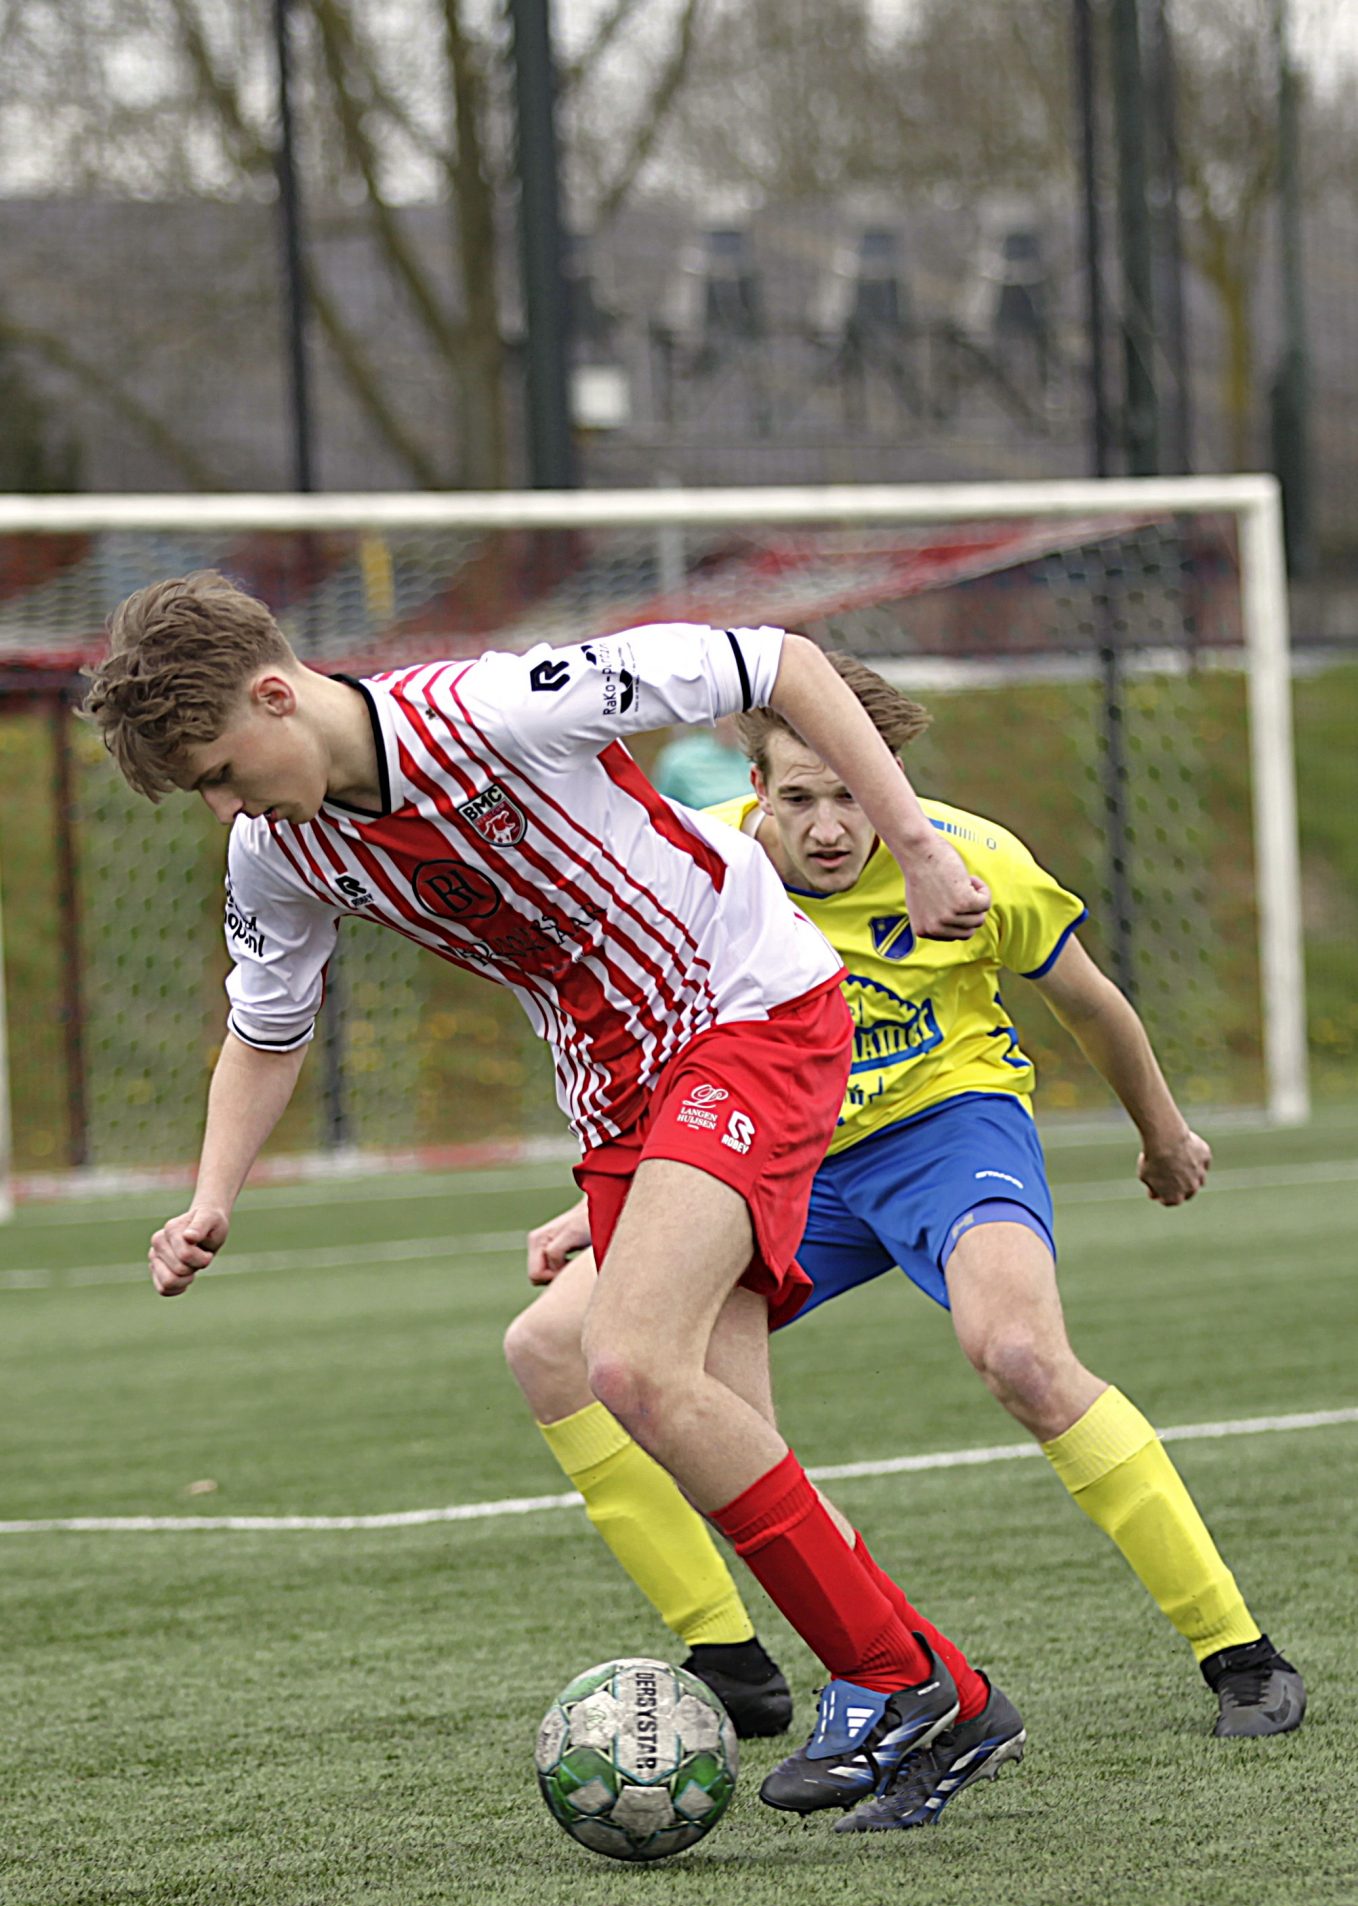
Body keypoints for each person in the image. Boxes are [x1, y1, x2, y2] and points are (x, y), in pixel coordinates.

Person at [80, 573, 1024, 1837]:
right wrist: (212, 1196)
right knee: (720, 1428)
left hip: (748, 1011)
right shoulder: (278, 849)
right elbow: (266, 1028)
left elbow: (780, 661)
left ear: (273, 695)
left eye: (219, 771)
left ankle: (892, 1681)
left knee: (623, 1361)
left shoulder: (499, 705)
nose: (223, 805)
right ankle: (955, 1697)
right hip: (618, 1099)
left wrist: (914, 844)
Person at [505, 653, 1305, 1829]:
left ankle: (1236, 1650)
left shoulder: (968, 859)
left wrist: (1162, 1134)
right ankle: (741, 1659)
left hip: (944, 1128)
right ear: (754, 788)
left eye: (851, 794)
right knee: (554, 1347)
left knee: (1019, 1354)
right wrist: (609, 1204)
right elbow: (664, 1046)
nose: (829, 827)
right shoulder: (703, 867)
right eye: (798, 798)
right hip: (783, 1153)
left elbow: (1090, 1002)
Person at [651, 712, 752, 808]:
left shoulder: (757, 758)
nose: (728, 721)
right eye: (725, 713)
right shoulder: (678, 761)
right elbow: (661, 810)